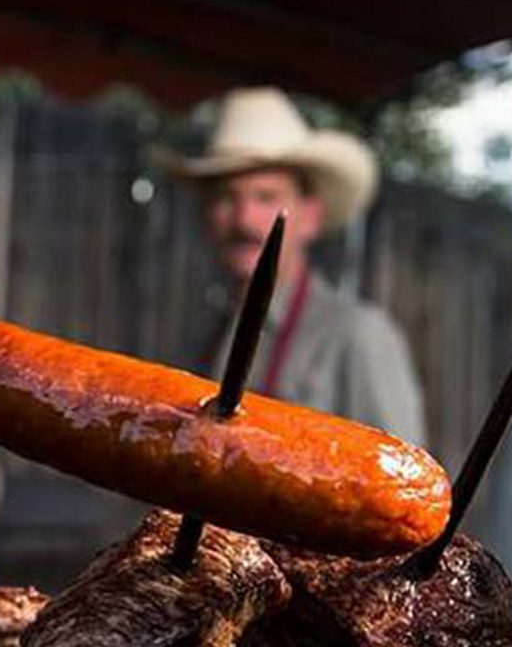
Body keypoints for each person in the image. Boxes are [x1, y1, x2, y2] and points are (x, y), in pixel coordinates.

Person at [160, 87, 427, 446]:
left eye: (266, 197)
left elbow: (401, 490)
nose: (244, 219)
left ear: (310, 217)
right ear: (207, 214)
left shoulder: (357, 336)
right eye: (227, 197)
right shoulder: (205, 332)